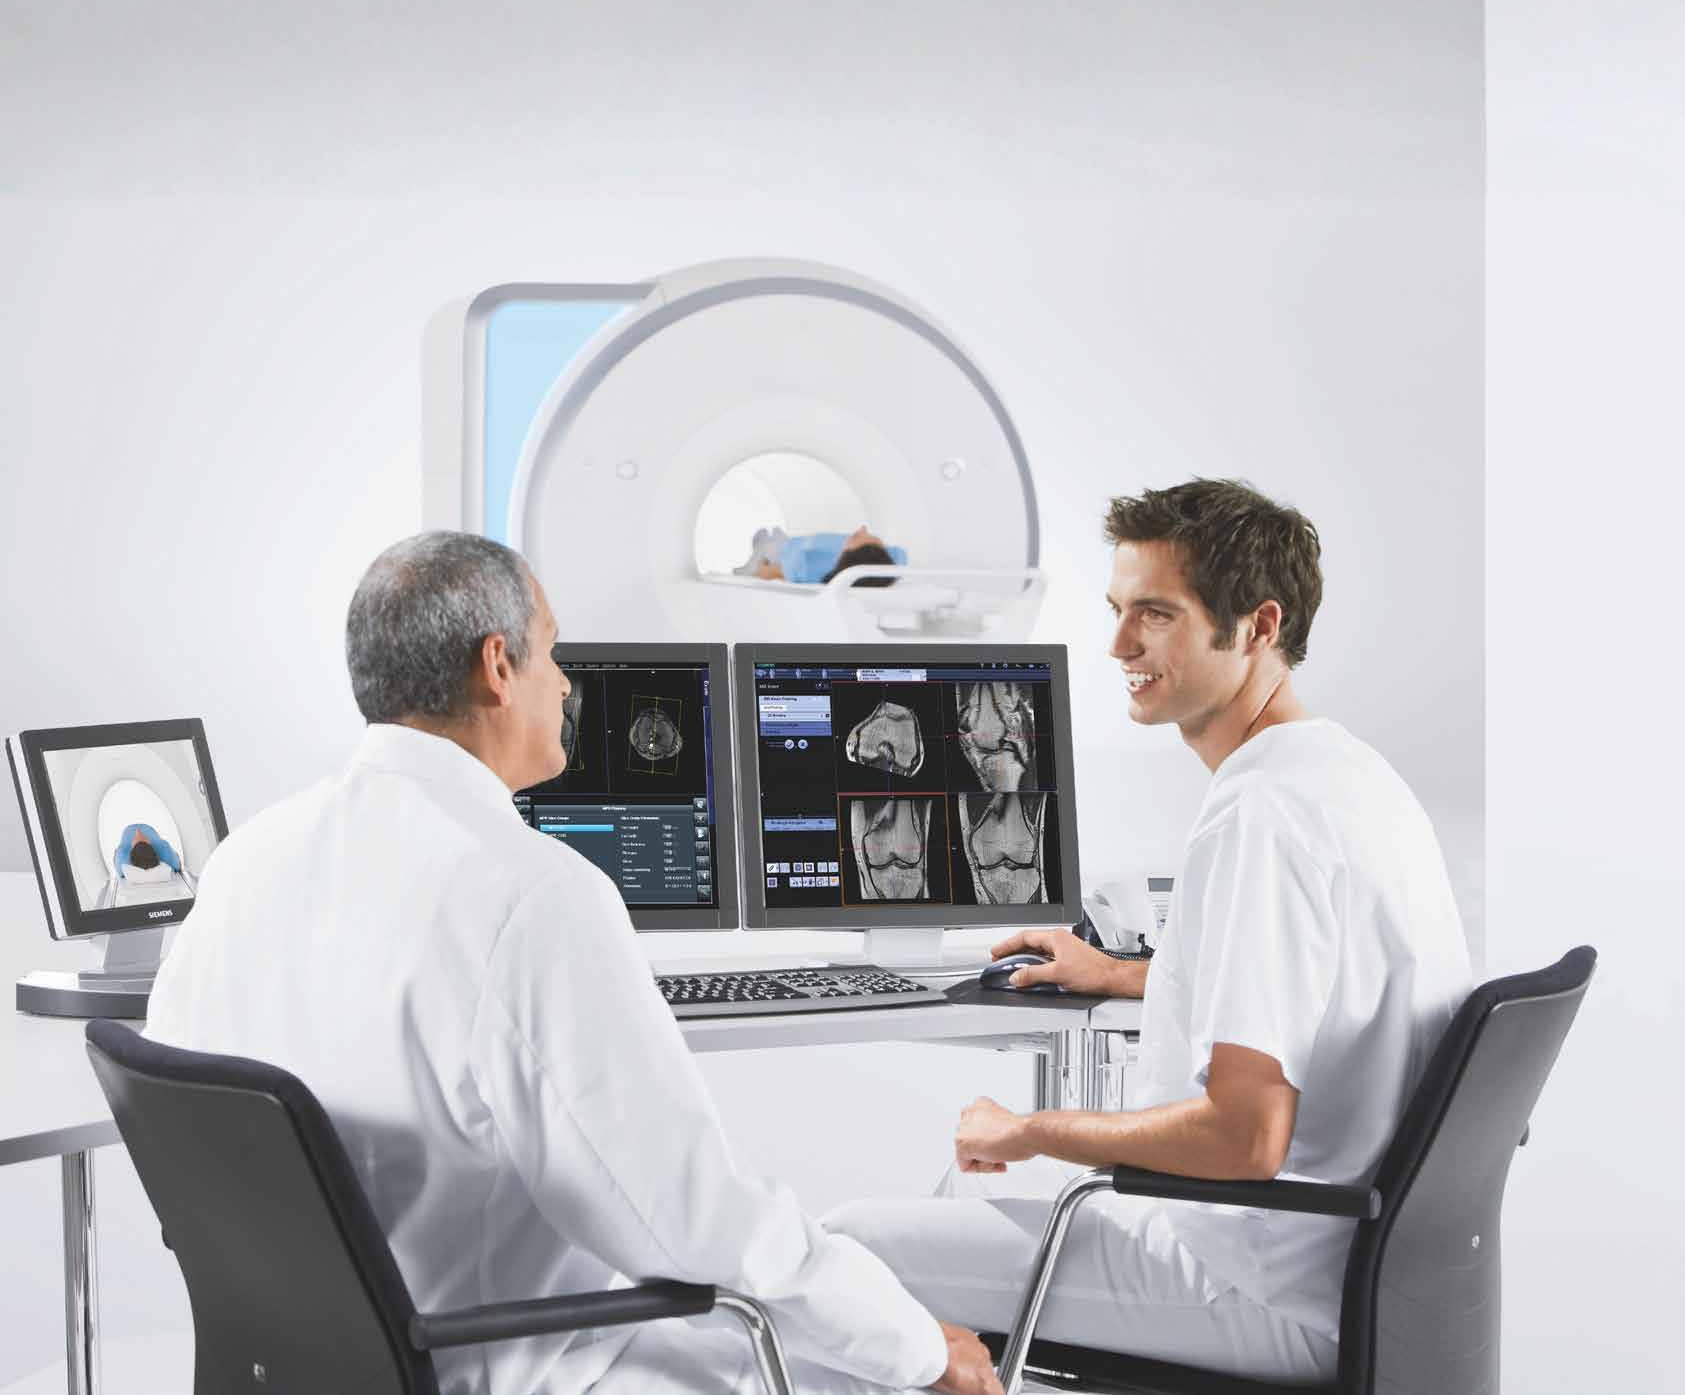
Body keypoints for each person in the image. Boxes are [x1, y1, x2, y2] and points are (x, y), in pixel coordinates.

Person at [144, 531, 1001, 1395]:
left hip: (298, 1370)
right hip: (496, 1365)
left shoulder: (243, 860)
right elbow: (686, 1217)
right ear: (498, 666)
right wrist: (914, 1343)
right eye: (551, 651)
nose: (562, 682)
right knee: (876, 1377)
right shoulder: (530, 892)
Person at [828, 479, 1472, 1384]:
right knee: (968, 1182)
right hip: (1353, 1271)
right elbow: (1318, 992)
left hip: (1257, 1280)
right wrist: (1126, 974)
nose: (1118, 644)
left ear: (1256, 625)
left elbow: (1244, 1137)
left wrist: (1033, 1126)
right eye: (1117, 609)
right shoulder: (1346, 774)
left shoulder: (1260, 816)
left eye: (1156, 614)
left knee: (845, 1255)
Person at [736, 524, 907, 583]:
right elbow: (900, 556)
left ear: (849, 555)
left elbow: (769, 572)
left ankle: (760, 549)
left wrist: (761, 568)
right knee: (774, 539)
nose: (862, 528)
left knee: (768, 545)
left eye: (856, 536)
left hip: (780, 553)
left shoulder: (809, 566)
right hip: (789, 545)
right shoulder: (891, 561)